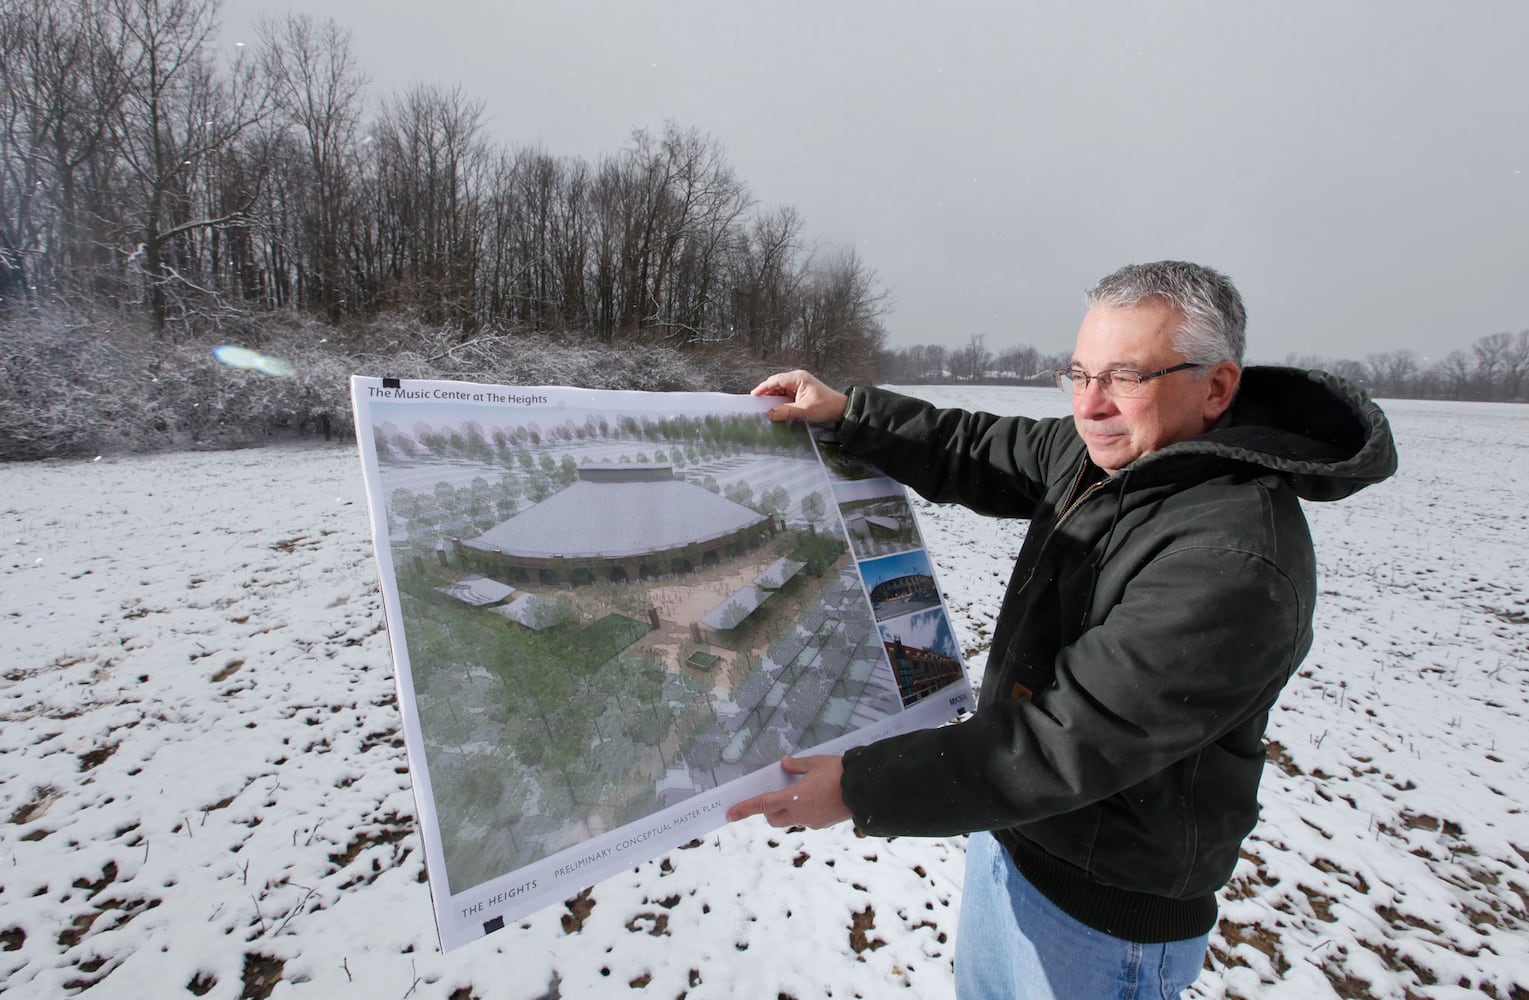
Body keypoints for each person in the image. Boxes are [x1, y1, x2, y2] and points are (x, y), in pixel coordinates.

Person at [726, 261, 1398, 999]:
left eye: (1123, 376)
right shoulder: (1117, 455)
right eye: (1077, 374)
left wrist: (860, 787)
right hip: (1010, 836)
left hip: (1100, 913)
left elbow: (1065, 742)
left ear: (1215, 387)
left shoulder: (1233, 560)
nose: (1090, 406)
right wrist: (849, 412)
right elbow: (977, 444)